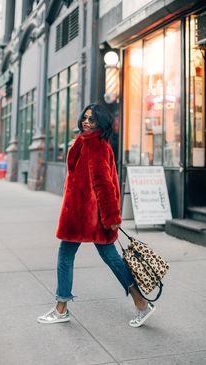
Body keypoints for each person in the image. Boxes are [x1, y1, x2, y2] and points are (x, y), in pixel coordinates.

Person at [37, 103, 156, 328]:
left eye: (92, 119)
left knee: (72, 256)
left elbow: (104, 184)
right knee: (104, 257)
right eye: (85, 117)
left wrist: (111, 217)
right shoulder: (84, 142)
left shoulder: (97, 147)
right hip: (82, 215)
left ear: (101, 123)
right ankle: (141, 303)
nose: (86, 122)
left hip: (90, 216)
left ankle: (62, 309)